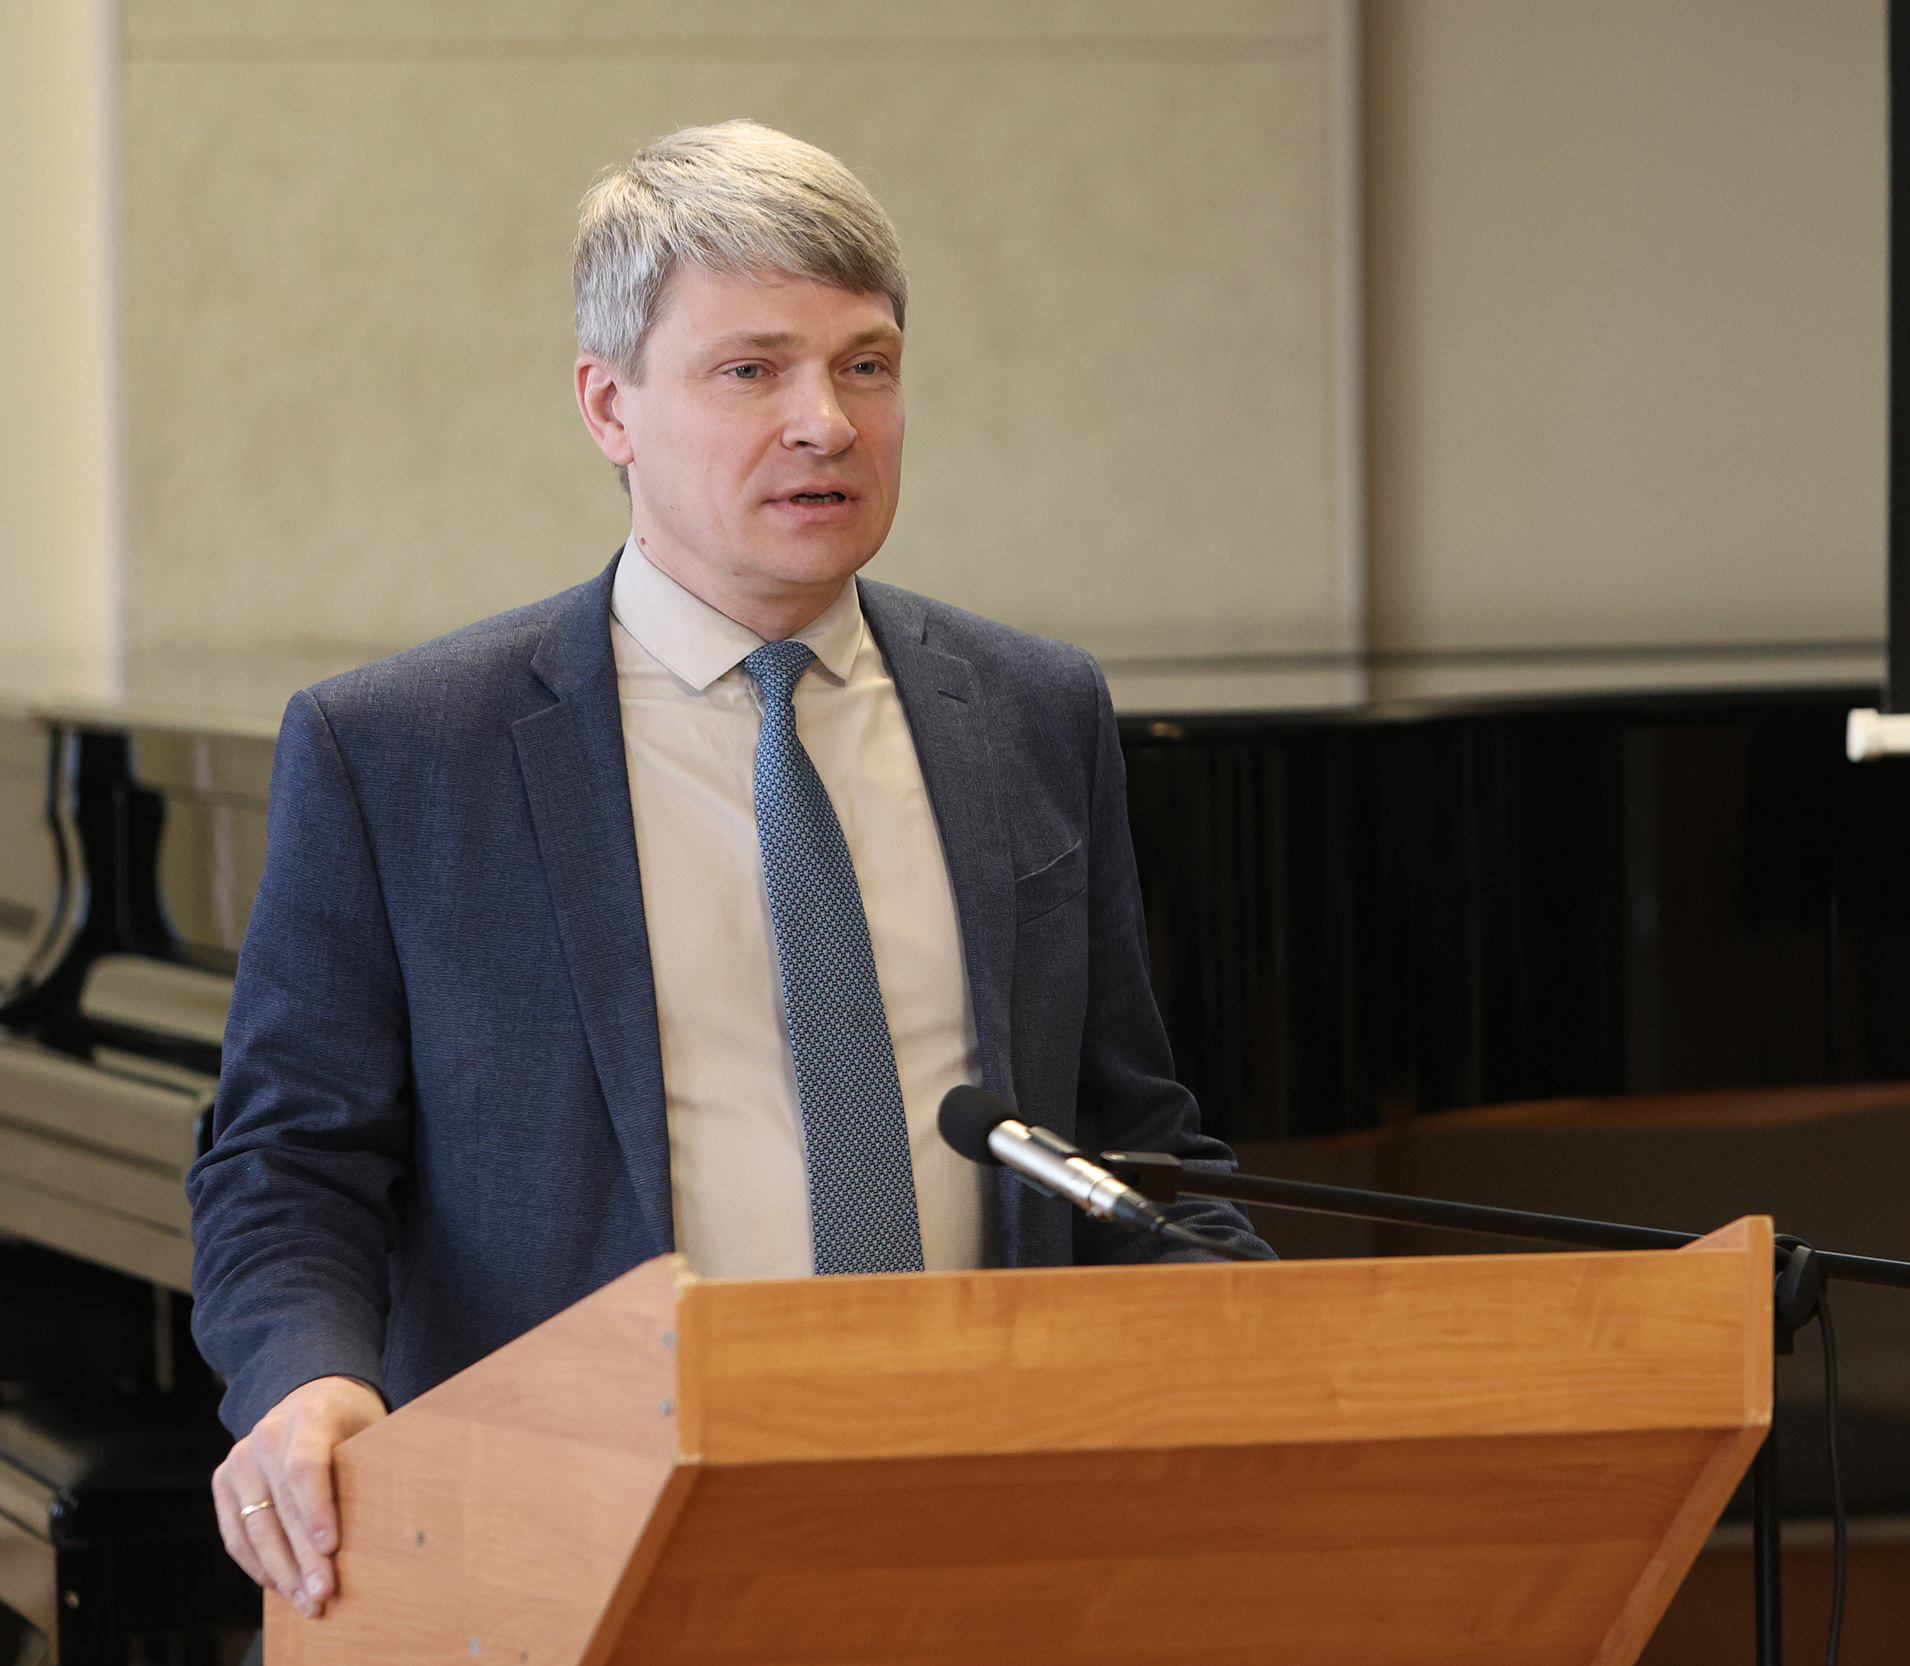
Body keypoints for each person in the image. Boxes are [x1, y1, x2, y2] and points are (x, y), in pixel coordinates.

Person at [185, 120, 1270, 1622]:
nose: (826, 421)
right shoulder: (401, 750)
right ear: (608, 404)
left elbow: (1125, 1136)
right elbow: (288, 1160)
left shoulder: (1033, 710)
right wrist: (305, 1380)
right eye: (752, 369)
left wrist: (1281, 1351)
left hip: (982, 1525)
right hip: (581, 1543)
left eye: (867, 364)